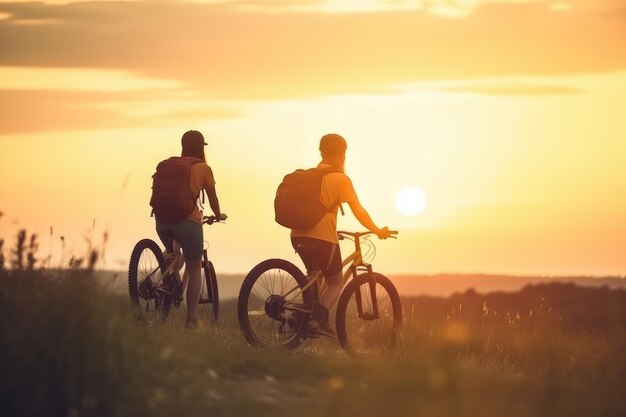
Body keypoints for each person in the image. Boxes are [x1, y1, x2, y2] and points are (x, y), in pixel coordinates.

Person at [290, 133, 392, 337]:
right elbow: (359, 211)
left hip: (297, 235)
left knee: (314, 278)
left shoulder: (310, 176)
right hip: (323, 239)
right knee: (335, 282)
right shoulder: (340, 179)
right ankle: (316, 321)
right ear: (342, 154)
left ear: (321, 152)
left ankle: (300, 316)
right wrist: (377, 229)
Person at [154, 130, 226, 329]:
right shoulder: (204, 168)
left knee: (172, 253)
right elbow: (213, 198)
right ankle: (191, 319)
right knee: (195, 269)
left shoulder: (170, 166)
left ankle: (166, 279)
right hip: (188, 222)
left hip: (162, 222)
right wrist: (218, 214)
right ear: (201, 147)